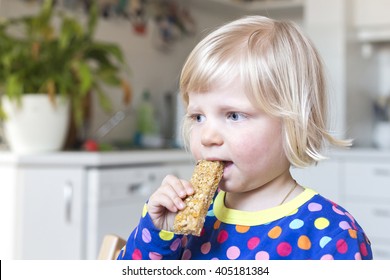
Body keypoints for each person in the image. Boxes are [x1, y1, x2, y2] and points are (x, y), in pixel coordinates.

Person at [117, 15, 372, 260]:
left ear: (293, 122)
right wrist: (157, 233)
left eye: (234, 116)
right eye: (197, 117)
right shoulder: (177, 220)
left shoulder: (332, 235)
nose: (207, 136)